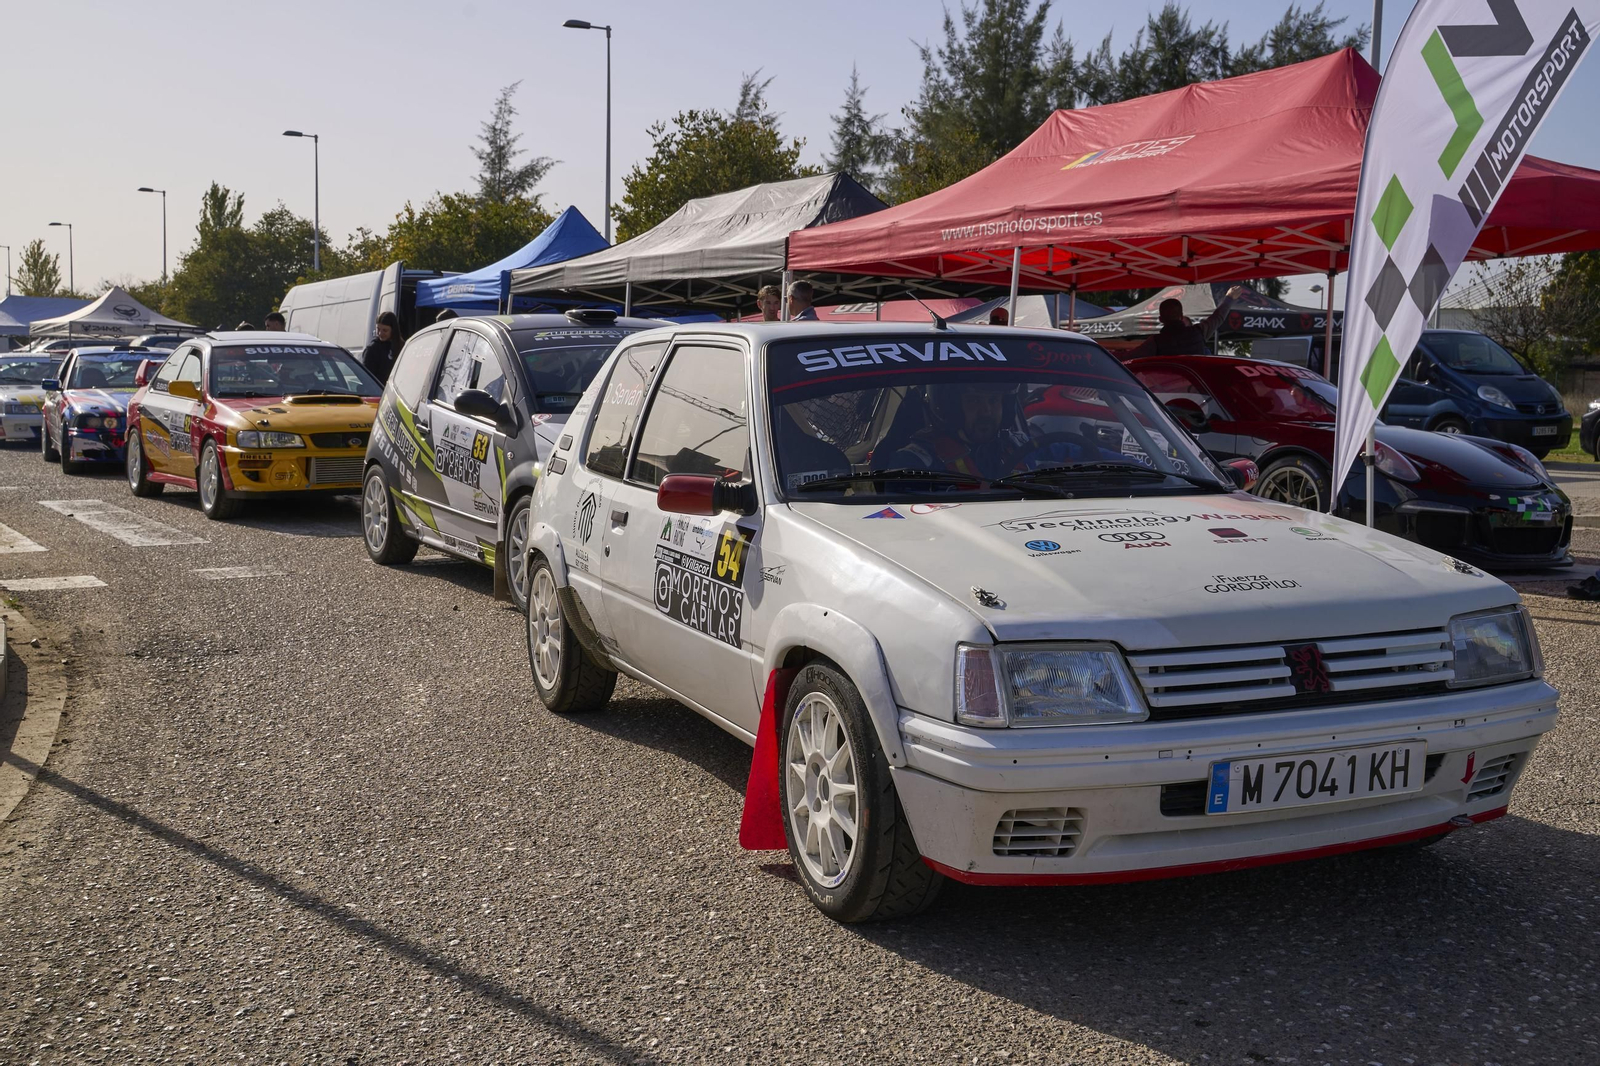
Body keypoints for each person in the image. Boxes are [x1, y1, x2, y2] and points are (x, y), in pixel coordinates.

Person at [1127, 284, 1247, 358]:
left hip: (1166, 390)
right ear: (1181, 316)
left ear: (1160, 319)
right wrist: (1229, 298)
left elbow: (1128, 357)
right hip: (1198, 388)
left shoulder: (1155, 342)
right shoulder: (1198, 332)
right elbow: (1218, 317)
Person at [362, 311, 403, 386]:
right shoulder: (372, 349)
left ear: (393, 330)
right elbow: (366, 379)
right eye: (378, 329)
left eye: (385, 330)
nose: (380, 333)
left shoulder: (402, 347)